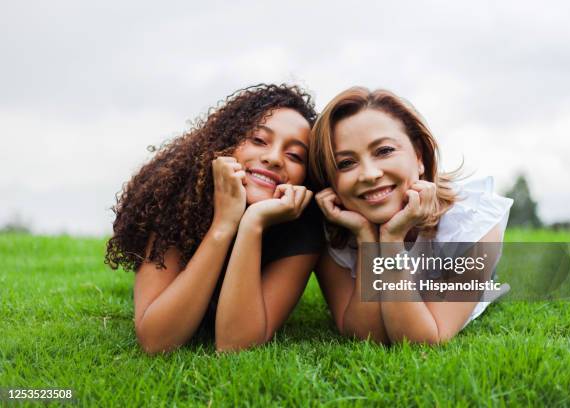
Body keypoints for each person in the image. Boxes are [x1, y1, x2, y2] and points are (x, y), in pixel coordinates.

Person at [105, 84, 323, 353]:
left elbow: (236, 345)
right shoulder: (181, 199)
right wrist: (224, 224)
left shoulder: (305, 222)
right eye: (258, 140)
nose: (274, 158)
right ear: (226, 143)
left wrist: (252, 224)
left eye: (294, 155)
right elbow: (156, 340)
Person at [308, 87, 512, 345]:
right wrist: (367, 239)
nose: (369, 174)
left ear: (419, 157)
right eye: (346, 163)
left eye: (384, 151)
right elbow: (366, 335)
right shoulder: (331, 227)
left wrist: (392, 239)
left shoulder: (473, 219)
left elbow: (422, 340)